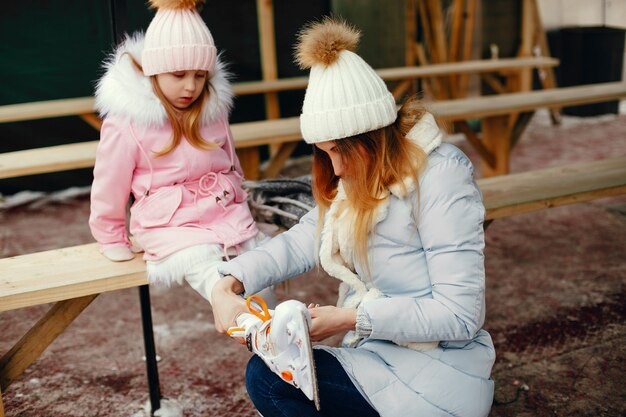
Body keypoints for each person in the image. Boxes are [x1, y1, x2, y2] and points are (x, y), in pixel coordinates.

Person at [211, 17, 495, 417]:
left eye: (340, 150)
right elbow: (302, 238)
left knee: (269, 381)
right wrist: (229, 282)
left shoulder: (441, 175)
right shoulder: (356, 180)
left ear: (372, 137)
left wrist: (350, 318)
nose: (336, 167)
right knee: (270, 373)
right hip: (382, 358)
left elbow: (460, 315)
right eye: (325, 152)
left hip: (439, 373)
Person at [89, 0, 273, 306]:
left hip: (226, 215)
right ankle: (258, 331)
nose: (191, 86)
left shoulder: (212, 111)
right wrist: (110, 236)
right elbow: (109, 184)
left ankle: (280, 338)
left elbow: (231, 163)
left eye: (200, 75)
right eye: (178, 75)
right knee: (227, 288)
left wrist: (239, 197)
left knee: (265, 278)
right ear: (154, 71)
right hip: (172, 228)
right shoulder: (128, 123)